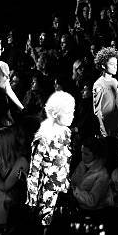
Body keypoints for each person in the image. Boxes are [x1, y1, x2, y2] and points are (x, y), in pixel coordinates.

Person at [26, 91, 74, 227]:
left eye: (72, 111)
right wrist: (33, 201)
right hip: (45, 196)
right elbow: (34, 172)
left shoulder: (67, 135)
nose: (72, 116)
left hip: (62, 195)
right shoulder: (42, 139)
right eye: (68, 112)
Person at [93, 47, 118, 137]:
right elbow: (98, 111)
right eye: (112, 64)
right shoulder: (99, 84)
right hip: (108, 129)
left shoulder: (115, 82)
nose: (115, 67)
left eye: (116, 64)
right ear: (103, 65)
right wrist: (105, 133)